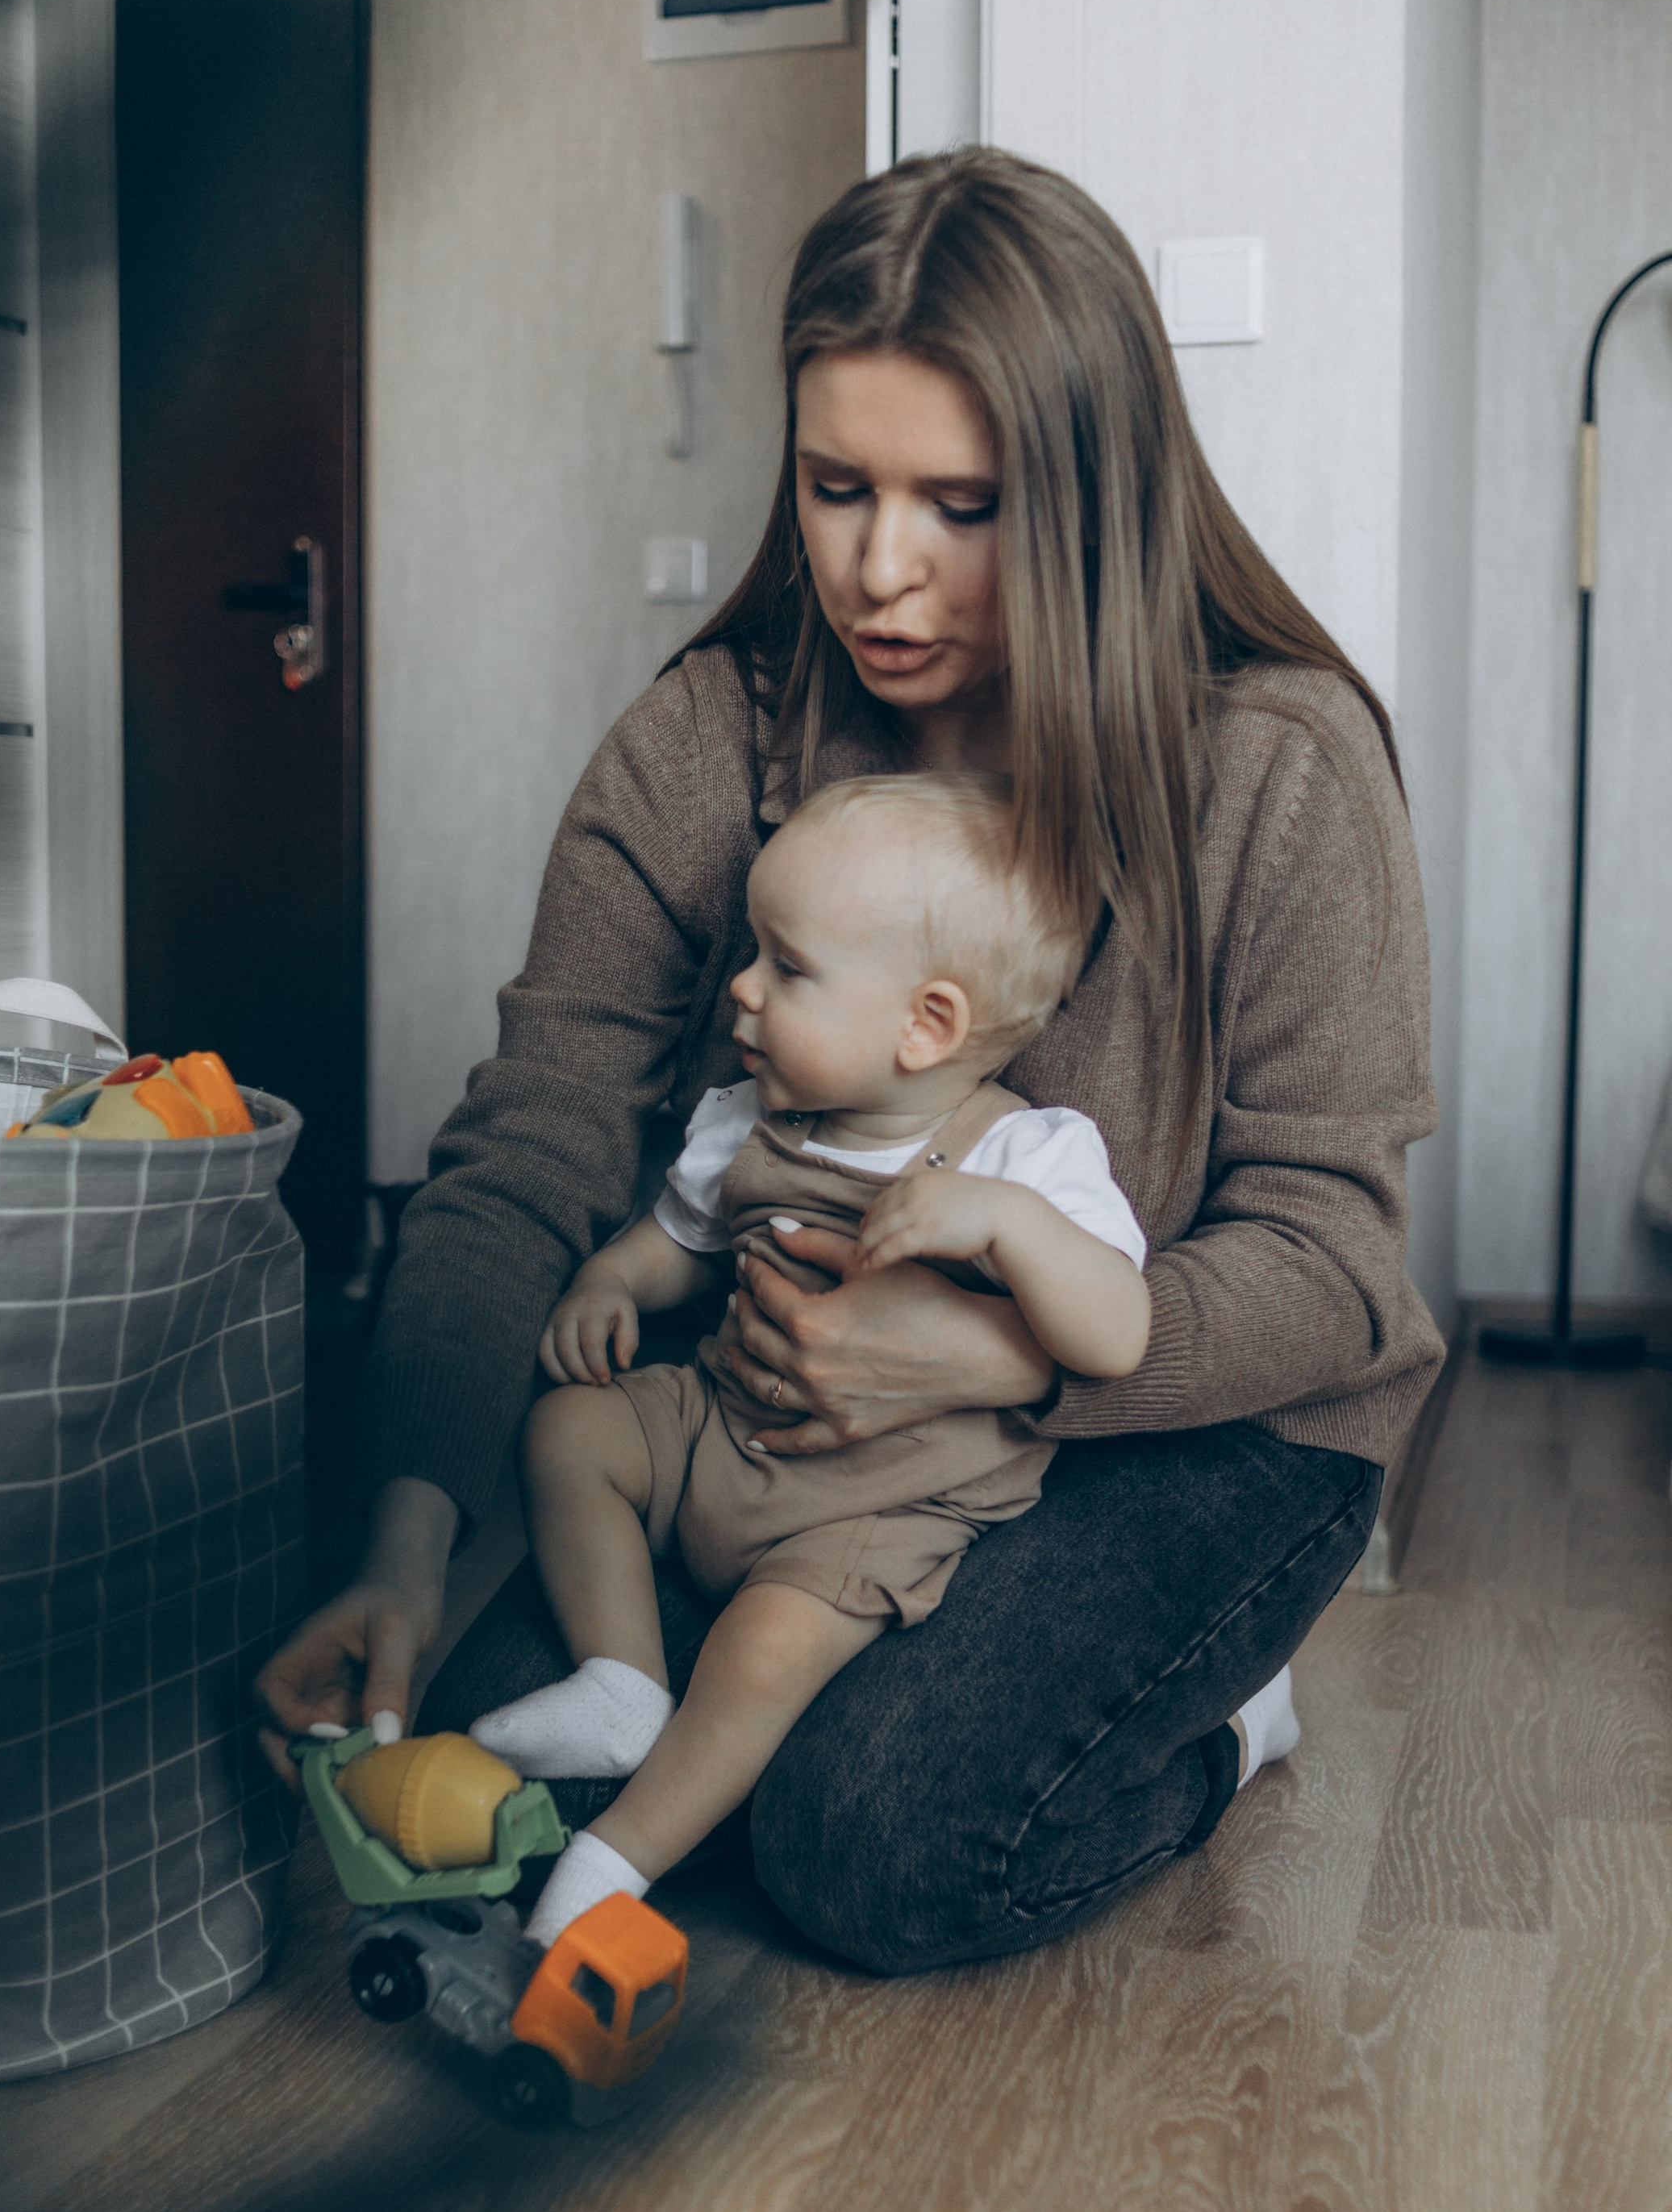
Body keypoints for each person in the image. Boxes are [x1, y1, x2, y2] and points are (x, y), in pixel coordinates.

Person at [259, 147, 1444, 1975]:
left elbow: (1335, 1266)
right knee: (514, 1782)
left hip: (1203, 1428)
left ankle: (1227, 1721)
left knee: (865, 1842)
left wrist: (1007, 1358)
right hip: (792, 1430)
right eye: (836, 488)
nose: (881, 570)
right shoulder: (711, 738)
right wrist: (401, 1545)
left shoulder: (1281, 764)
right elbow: (534, 1139)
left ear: (1094, 497)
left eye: (962, 505)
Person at [479, 769, 1153, 1950]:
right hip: (720, 1427)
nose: (741, 987)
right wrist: (611, 1283)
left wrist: (1009, 1229)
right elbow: (677, 1241)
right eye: (755, 951)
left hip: (871, 1509)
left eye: (786, 968)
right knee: (570, 1428)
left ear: (926, 1024)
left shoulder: (1026, 1159)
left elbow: (1119, 1334)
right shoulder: (750, 1116)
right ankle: (621, 1682)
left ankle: (612, 1863)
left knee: (764, 1657)